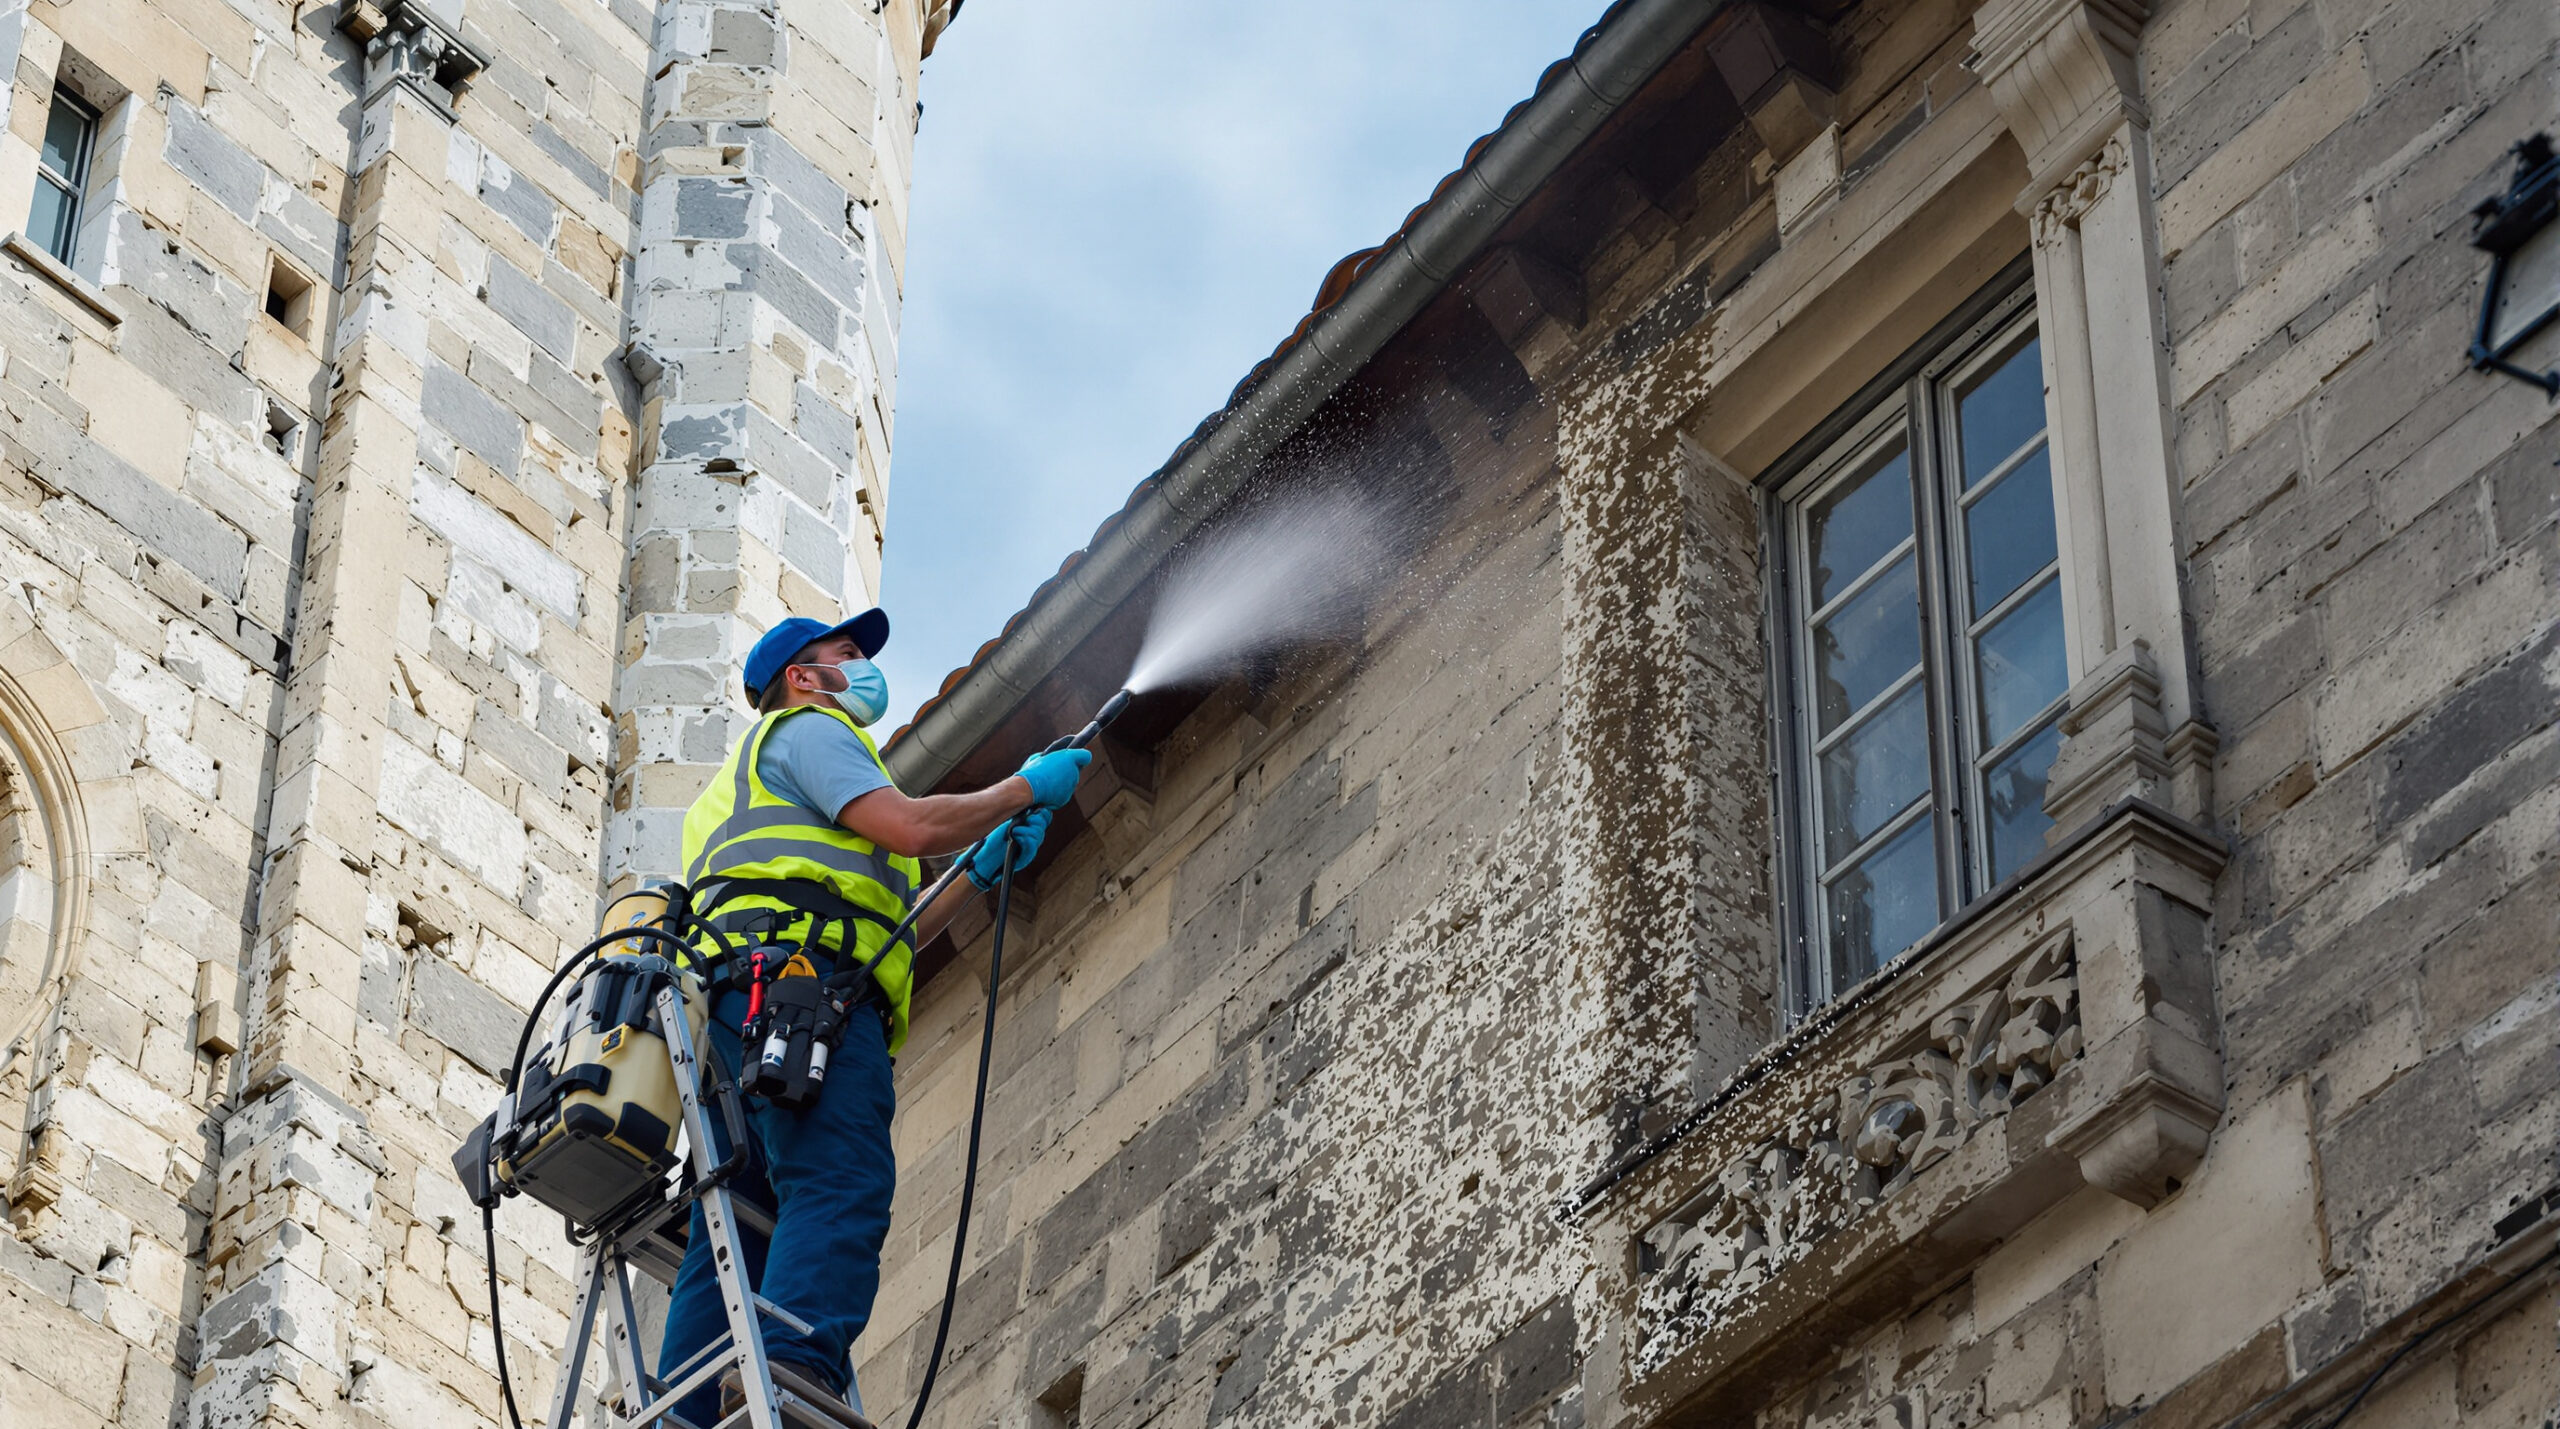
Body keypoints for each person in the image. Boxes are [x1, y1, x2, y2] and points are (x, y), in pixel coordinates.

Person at [655, 608, 1089, 1423]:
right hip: (798, 996)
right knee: (842, 1181)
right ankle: (785, 1381)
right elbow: (911, 823)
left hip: (739, 1007)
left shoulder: (755, 783)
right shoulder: (811, 732)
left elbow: (892, 928)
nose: (863, 669)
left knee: (738, 1233)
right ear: (803, 677)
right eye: (847, 654)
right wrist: (1022, 788)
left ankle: (685, 1413)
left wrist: (978, 868)